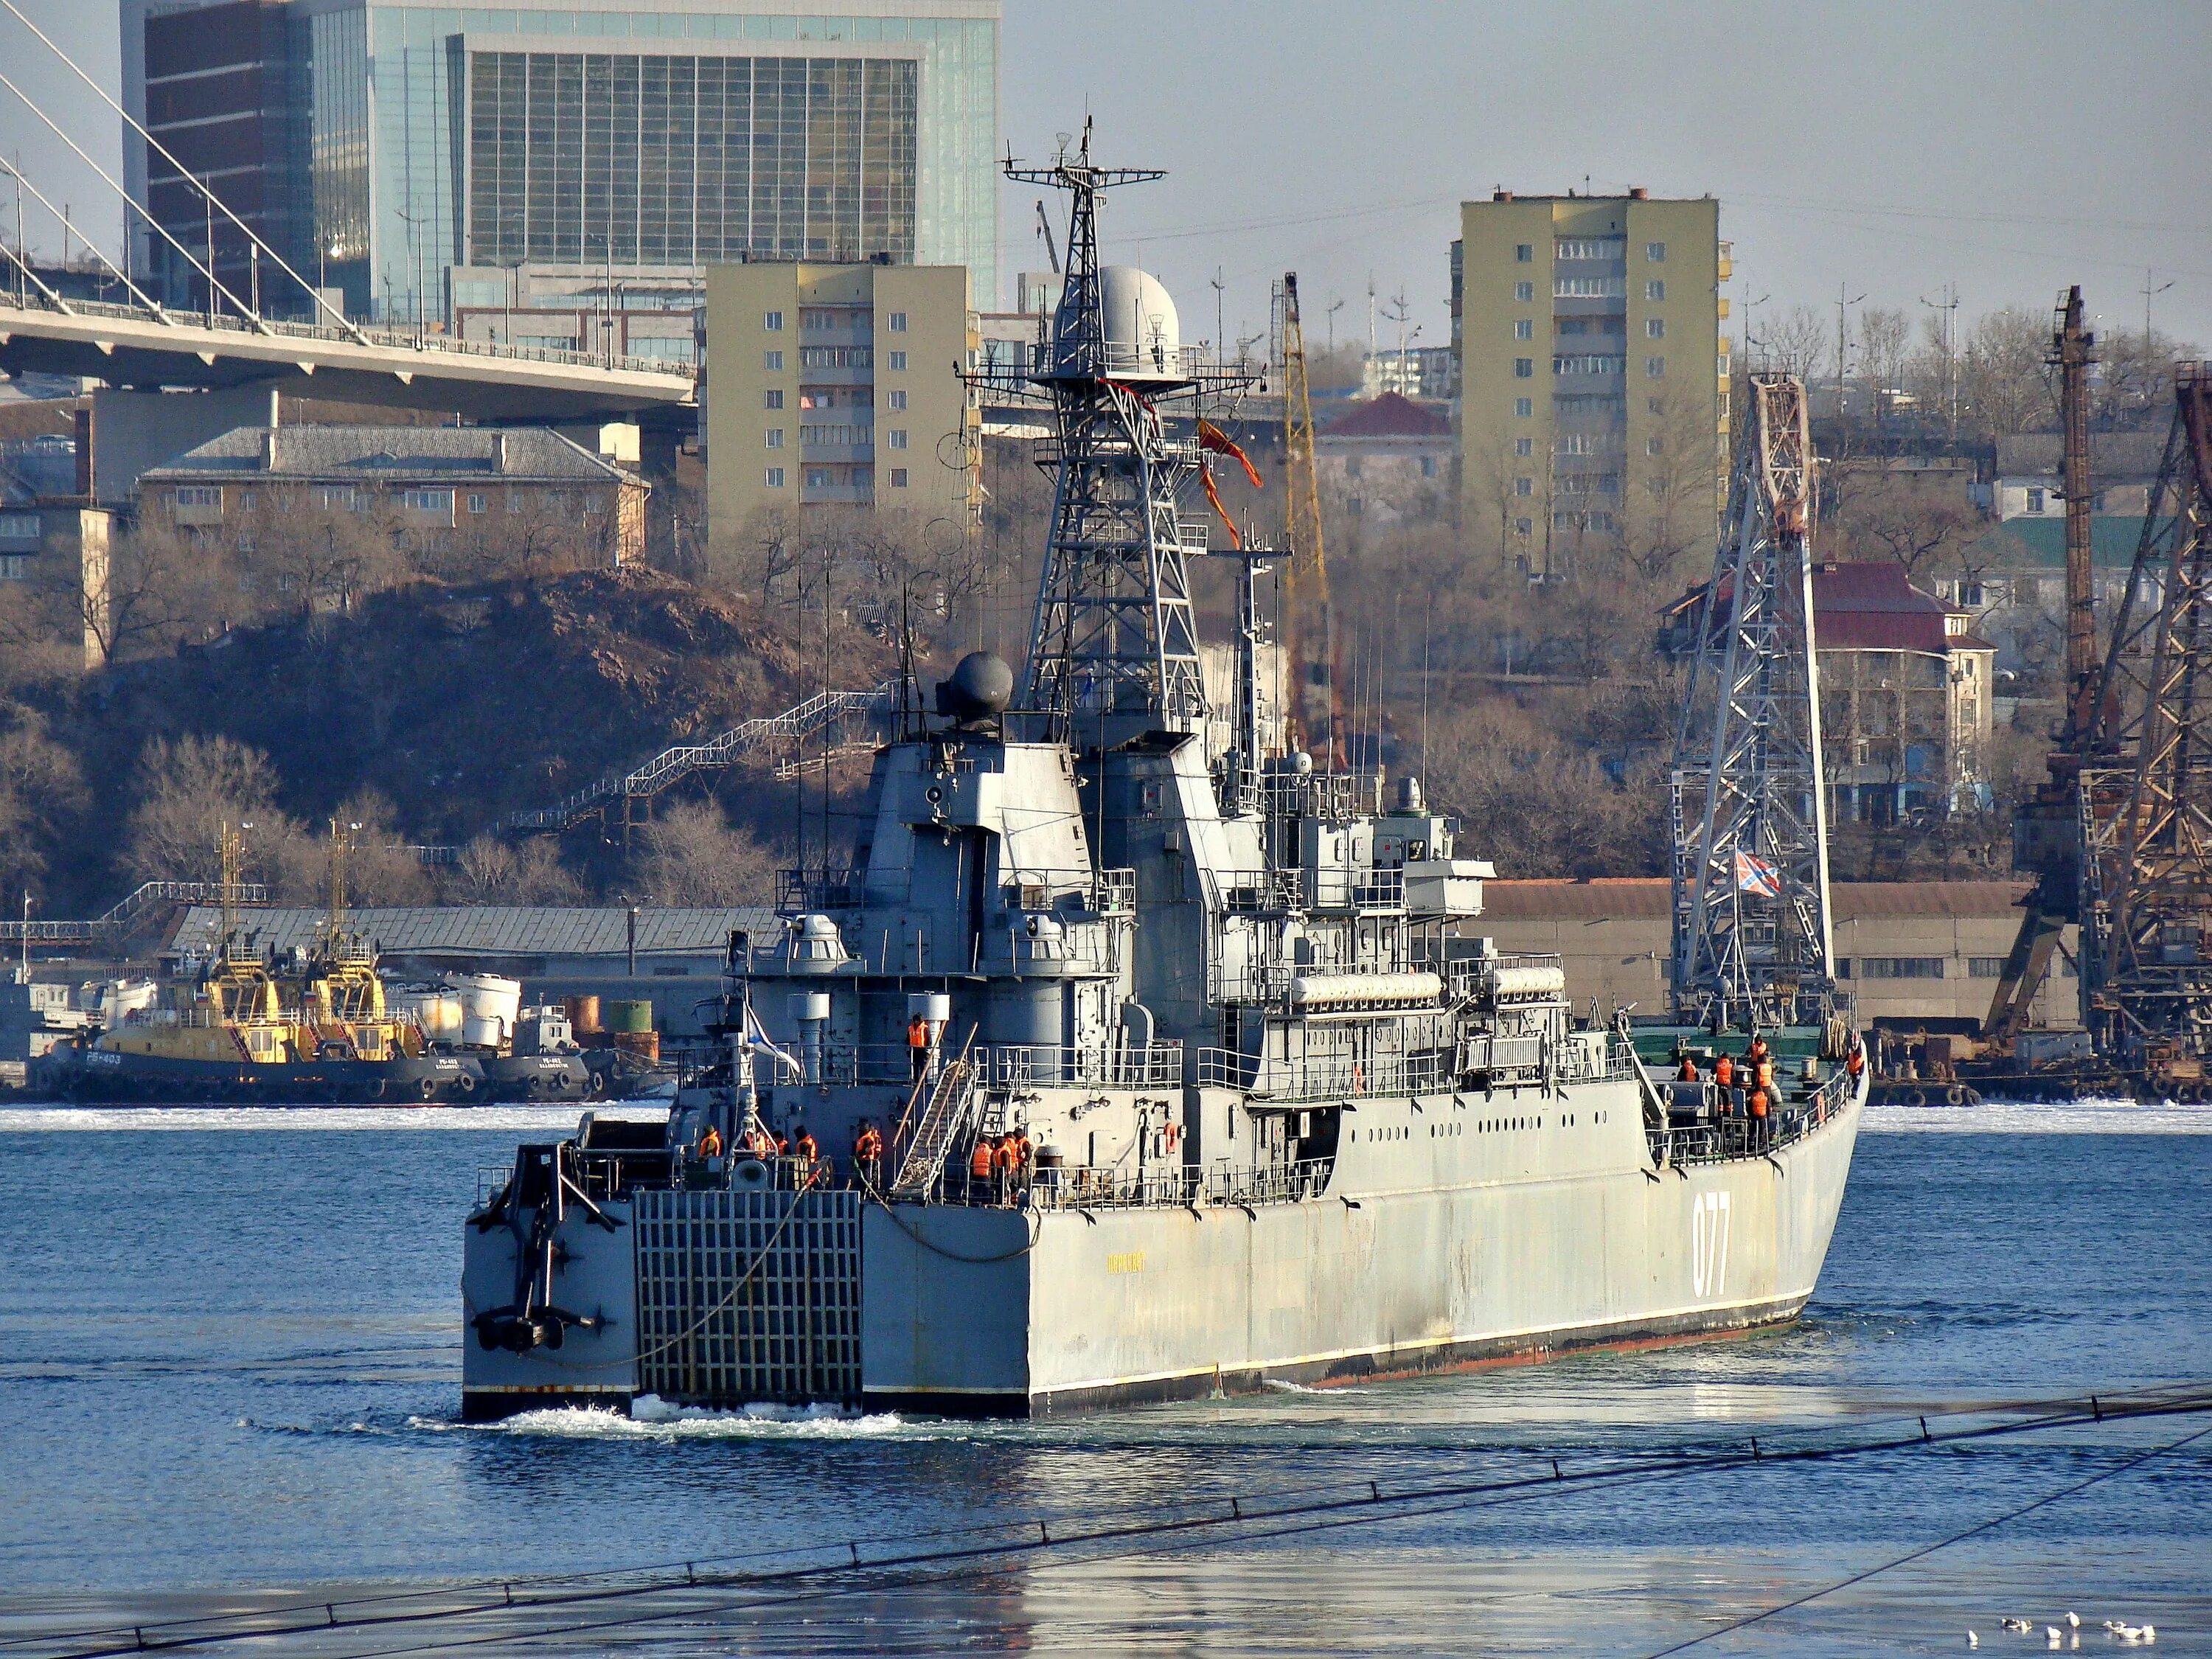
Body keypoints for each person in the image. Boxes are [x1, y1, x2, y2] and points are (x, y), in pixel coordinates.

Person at [852, 1120, 884, 1188]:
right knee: (861, 1177)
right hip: (861, 1160)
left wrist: (858, 1155)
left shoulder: (869, 1138)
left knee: (867, 1177)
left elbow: (867, 1149)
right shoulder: (863, 1137)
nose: (860, 1129)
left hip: (867, 1160)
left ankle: (868, 1190)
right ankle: (862, 1189)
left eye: (861, 1127)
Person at [967, 1135, 995, 1200]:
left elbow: (972, 1162)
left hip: (976, 1172)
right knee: (986, 1189)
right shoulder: (990, 1152)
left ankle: (975, 1201)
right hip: (986, 1173)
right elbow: (993, 1164)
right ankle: (985, 1202)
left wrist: (971, 1172)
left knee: (977, 1188)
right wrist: (994, 1175)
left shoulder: (976, 1151)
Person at [908, 1013, 931, 1082]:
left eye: (918, 1020)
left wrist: (927, 1047)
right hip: (914, 1049)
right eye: (915, 1020)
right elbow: (908, 1038)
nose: (916, 1022)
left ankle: (924, 1080)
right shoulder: (911, 1028)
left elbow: (928, 1038)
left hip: (922, 1049)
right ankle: (916, 1080)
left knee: (922, 1065)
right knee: (915, 1065)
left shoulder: (925, 1028)